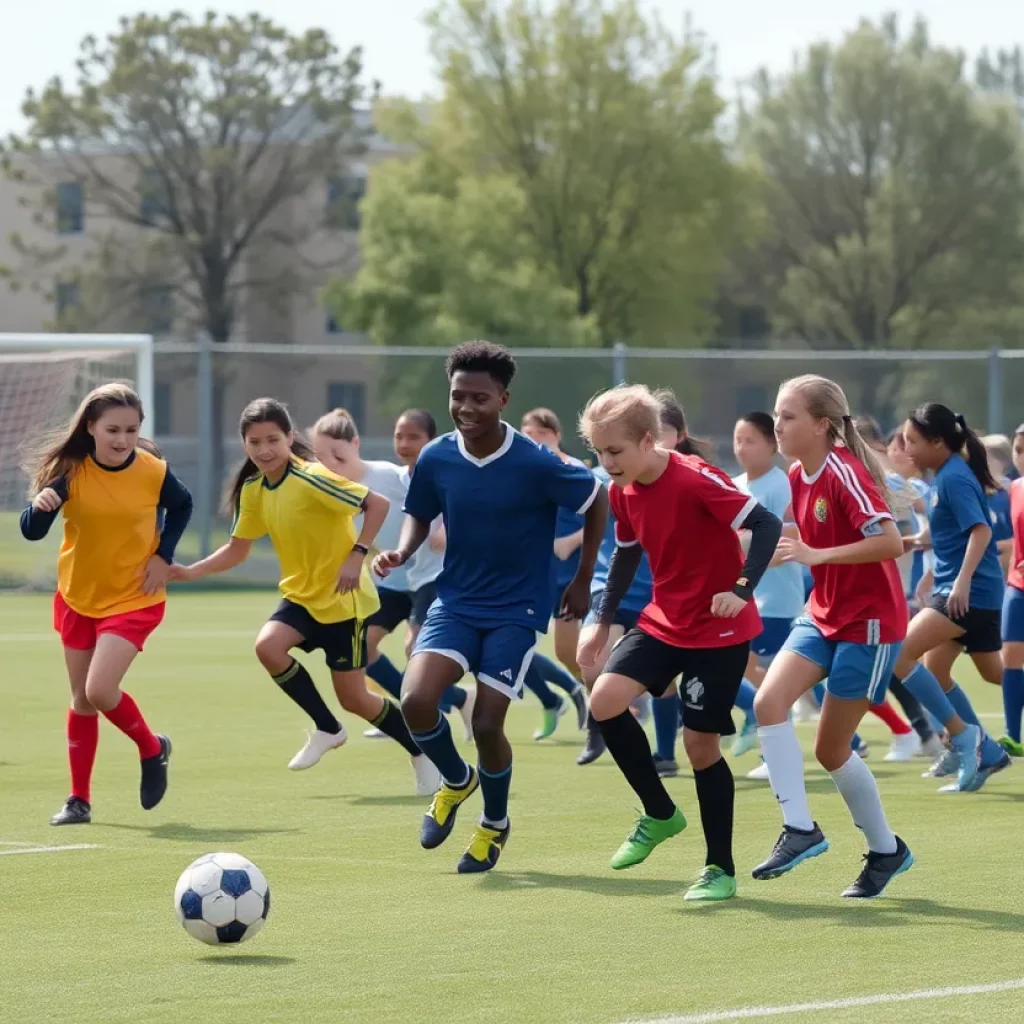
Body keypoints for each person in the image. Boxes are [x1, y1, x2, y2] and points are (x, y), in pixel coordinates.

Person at [374, 341, 607, 874]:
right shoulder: (437, 457)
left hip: (518, 610)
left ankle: (494, 825)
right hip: (455, 603)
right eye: (458, 397)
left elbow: (598, 501)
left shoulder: (534, 461)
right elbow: (419, 511)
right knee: (416, 700)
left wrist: (581, 578)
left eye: (480, 397)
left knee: (485, 723)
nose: (466, 408)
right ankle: (458, 781)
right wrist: (403, 550)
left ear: (503, 398)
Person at [169, 398, 438, 796]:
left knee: (356, 699)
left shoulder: (313, 477)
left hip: (343, 602)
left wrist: (357, 554)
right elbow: (238, 548)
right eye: (254, 441)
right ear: (244, 444)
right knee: (268, 647)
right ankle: (327, 729)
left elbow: (375, 504)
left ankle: (421, 753)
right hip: (301, 596)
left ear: (290, 437)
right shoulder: (255, 489)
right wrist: (189, 571)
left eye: (273, 440)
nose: (264, 450)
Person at [578, 384, 781, 903]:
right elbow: (625, 552)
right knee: (603, 699)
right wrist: (601, 622)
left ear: (649, 440)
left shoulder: (694, 479)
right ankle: (661, 813)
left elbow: (765, 523)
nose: (606, 463)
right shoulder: (621, 488)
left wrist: (740, 591)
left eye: (615, 451)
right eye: (598, 452)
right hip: (665, 619)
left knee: (700, 747)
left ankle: (720, 869)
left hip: (719, 629)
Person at [751, 375, 913, 899]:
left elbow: (889, 542)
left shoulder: (845, 471)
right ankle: (800, 829)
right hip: (822, 614)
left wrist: (817, 556)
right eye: (777, 414)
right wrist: (775, 542)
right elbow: (812, 531)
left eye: (789, 416)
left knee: (830, 748)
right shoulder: (799, 473)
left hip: (868, 625)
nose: (778, 424)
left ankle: (886, 851)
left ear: (823, 425)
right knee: (768, 703)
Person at [19, 383, 190, 825]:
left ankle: (151, 749)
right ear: (91, 427)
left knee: (99, 689)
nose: (122, 439)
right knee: (82, 700)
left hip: (135, 596)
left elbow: (183, 505)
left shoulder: (153, 471)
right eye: (113, 429)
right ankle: (79, 800)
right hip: (79, 596)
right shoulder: (71, 472)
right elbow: (32, 531)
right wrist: (38, 509)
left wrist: (162, 555)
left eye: (132, 430)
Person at [311, 408, 474, 742]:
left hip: (432, 576)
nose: (328, 462)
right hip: (394, 581)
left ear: (355, 445)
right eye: (320, 455)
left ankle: (427, 715)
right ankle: (454, 701)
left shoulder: (389, 475)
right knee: (364, 649)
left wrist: (447, 527)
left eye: (337, 455)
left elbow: (437, 494)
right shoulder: (325, 490)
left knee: (415, 647)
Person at [890, 405, 1011, 792]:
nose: (907, 449)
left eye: (913, 441)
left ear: (938, 442)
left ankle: (968, 741)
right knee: (973, 673)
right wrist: (914, 547)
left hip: (967, 594)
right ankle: (981, 751)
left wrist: (959, 584)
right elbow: (947, 535)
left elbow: (980, 532)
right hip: (968, 591)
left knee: (900, 654)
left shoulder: (954, 478)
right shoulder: (947, 475)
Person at [730, 412, 806, 764]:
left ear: (772, 446)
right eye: (737, 440)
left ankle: (769, 744)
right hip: (743, 596)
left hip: (776, 599)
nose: (741, 448)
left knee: (743, 669)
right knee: (744, 669)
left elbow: (799, 530)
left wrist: (756, 541)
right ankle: (767, 730)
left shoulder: (783, 483)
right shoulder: (732, 484)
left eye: (750, 441)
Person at [575, 467, 654, 767]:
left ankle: (666, 752)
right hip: (608, 589)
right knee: (591, 662)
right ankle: (597, 728)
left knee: (667, 680)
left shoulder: (665, 477)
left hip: (657, 591)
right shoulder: (596, 482)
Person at [1000, 425, 1024, 756]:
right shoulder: (1015, 488)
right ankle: (1012, 735)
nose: (1021, 458)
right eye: (1018, 450)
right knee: (1011, 658)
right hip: (1016, 585)